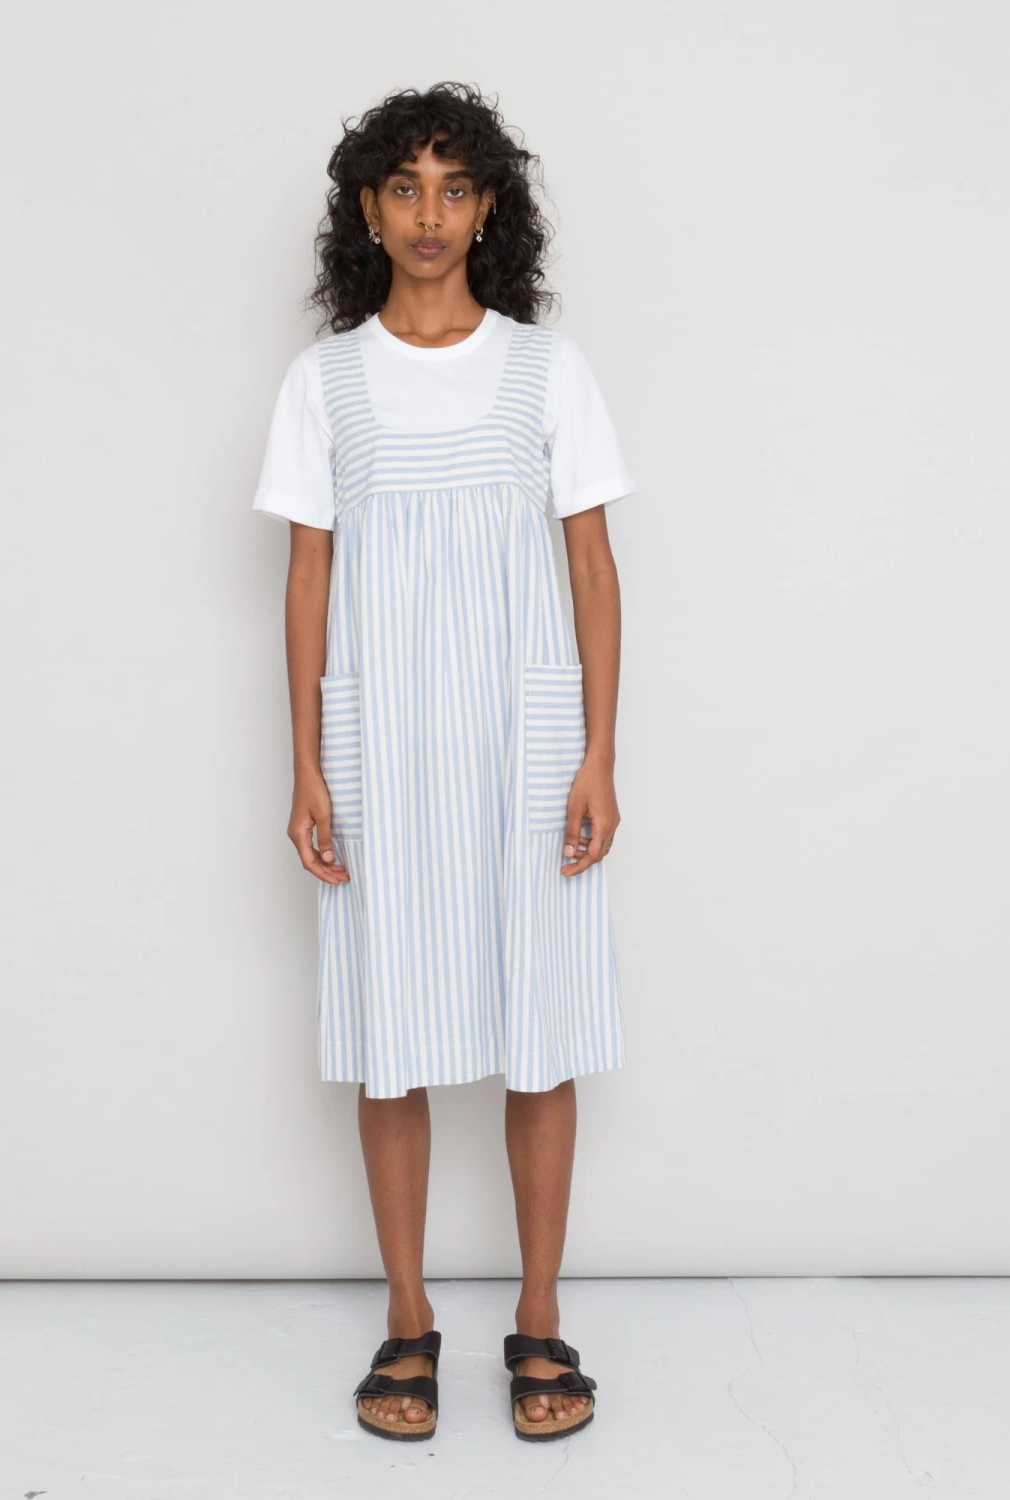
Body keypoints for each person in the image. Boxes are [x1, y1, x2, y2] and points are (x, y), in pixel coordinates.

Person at [251, 81, 634, 1444]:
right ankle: (407, 1318)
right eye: (404, 187)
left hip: (526, 744)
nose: (430, 213)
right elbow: (308, 578)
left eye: (455, 187)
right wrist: (308, 764)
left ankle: (540, 1316)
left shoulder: (546, 369)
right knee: (391, 1034)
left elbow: (592, 566)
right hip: (384, 747)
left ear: (489, 211)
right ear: (367, 209)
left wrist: (598, 753)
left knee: (541, 1028)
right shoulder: (327, 381)